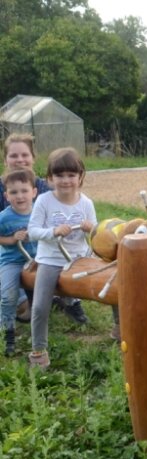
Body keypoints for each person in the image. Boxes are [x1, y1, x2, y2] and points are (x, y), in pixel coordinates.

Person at [26, 147, 97, 369]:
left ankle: (118, 327)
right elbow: (33, 231)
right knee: (39, 307)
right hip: (51, 259)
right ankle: (39, 350)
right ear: (49, 179)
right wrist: (53, 232)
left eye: (71, 175)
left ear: (80, 177)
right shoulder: (45, 201)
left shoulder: (86, 202)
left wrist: (90, 228)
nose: (65, 181)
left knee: (112, 280)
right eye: (59, 175)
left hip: (80, 258)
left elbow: (97, 234)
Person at [0, 133, 52, 322]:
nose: (19, 160)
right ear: (5, 159)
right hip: (7, 250)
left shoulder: (44, 188)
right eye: (13, 155)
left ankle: (62, 298)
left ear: (33, 157)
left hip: (39, 247)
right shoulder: (1, 188)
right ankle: (20, 300)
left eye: (24, 155)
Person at [0, 169, 38, 356]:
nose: (20, 196)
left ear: (34, 192)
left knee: (42, 295)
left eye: (24, 191)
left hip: (37, 259)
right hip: (12, 261)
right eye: (14, 192)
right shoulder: (4, 217)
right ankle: (8, 330)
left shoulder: (40, 212)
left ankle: (40, 330)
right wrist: (12, 239)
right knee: (8, 296)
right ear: (6, 196)